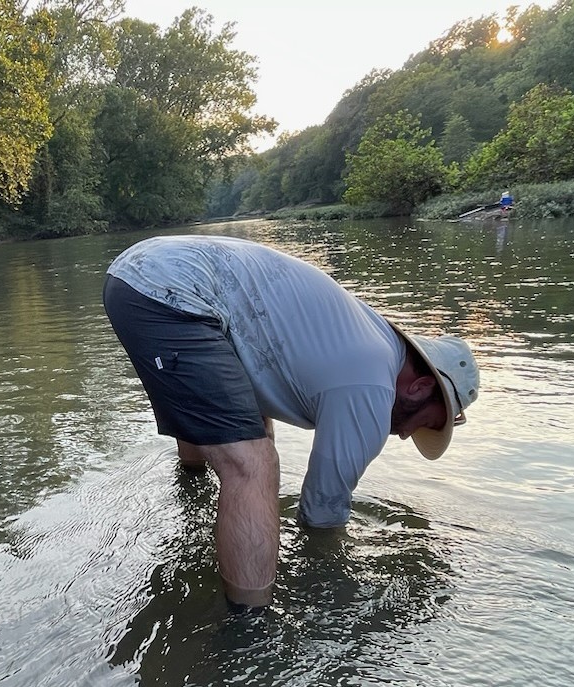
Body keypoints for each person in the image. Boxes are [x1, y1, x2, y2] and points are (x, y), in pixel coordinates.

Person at [102, 235, 480, 609]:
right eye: (425, 423)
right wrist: (328, 567)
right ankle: (250, 627)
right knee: (254, 465)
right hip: (171, 293)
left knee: (247, 432)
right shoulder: (371, 384)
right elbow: (321, 512)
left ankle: (191, 486)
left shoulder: (363, 334)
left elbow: (256, 368)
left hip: (142, 272)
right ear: (420, 386)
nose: (403, 434)